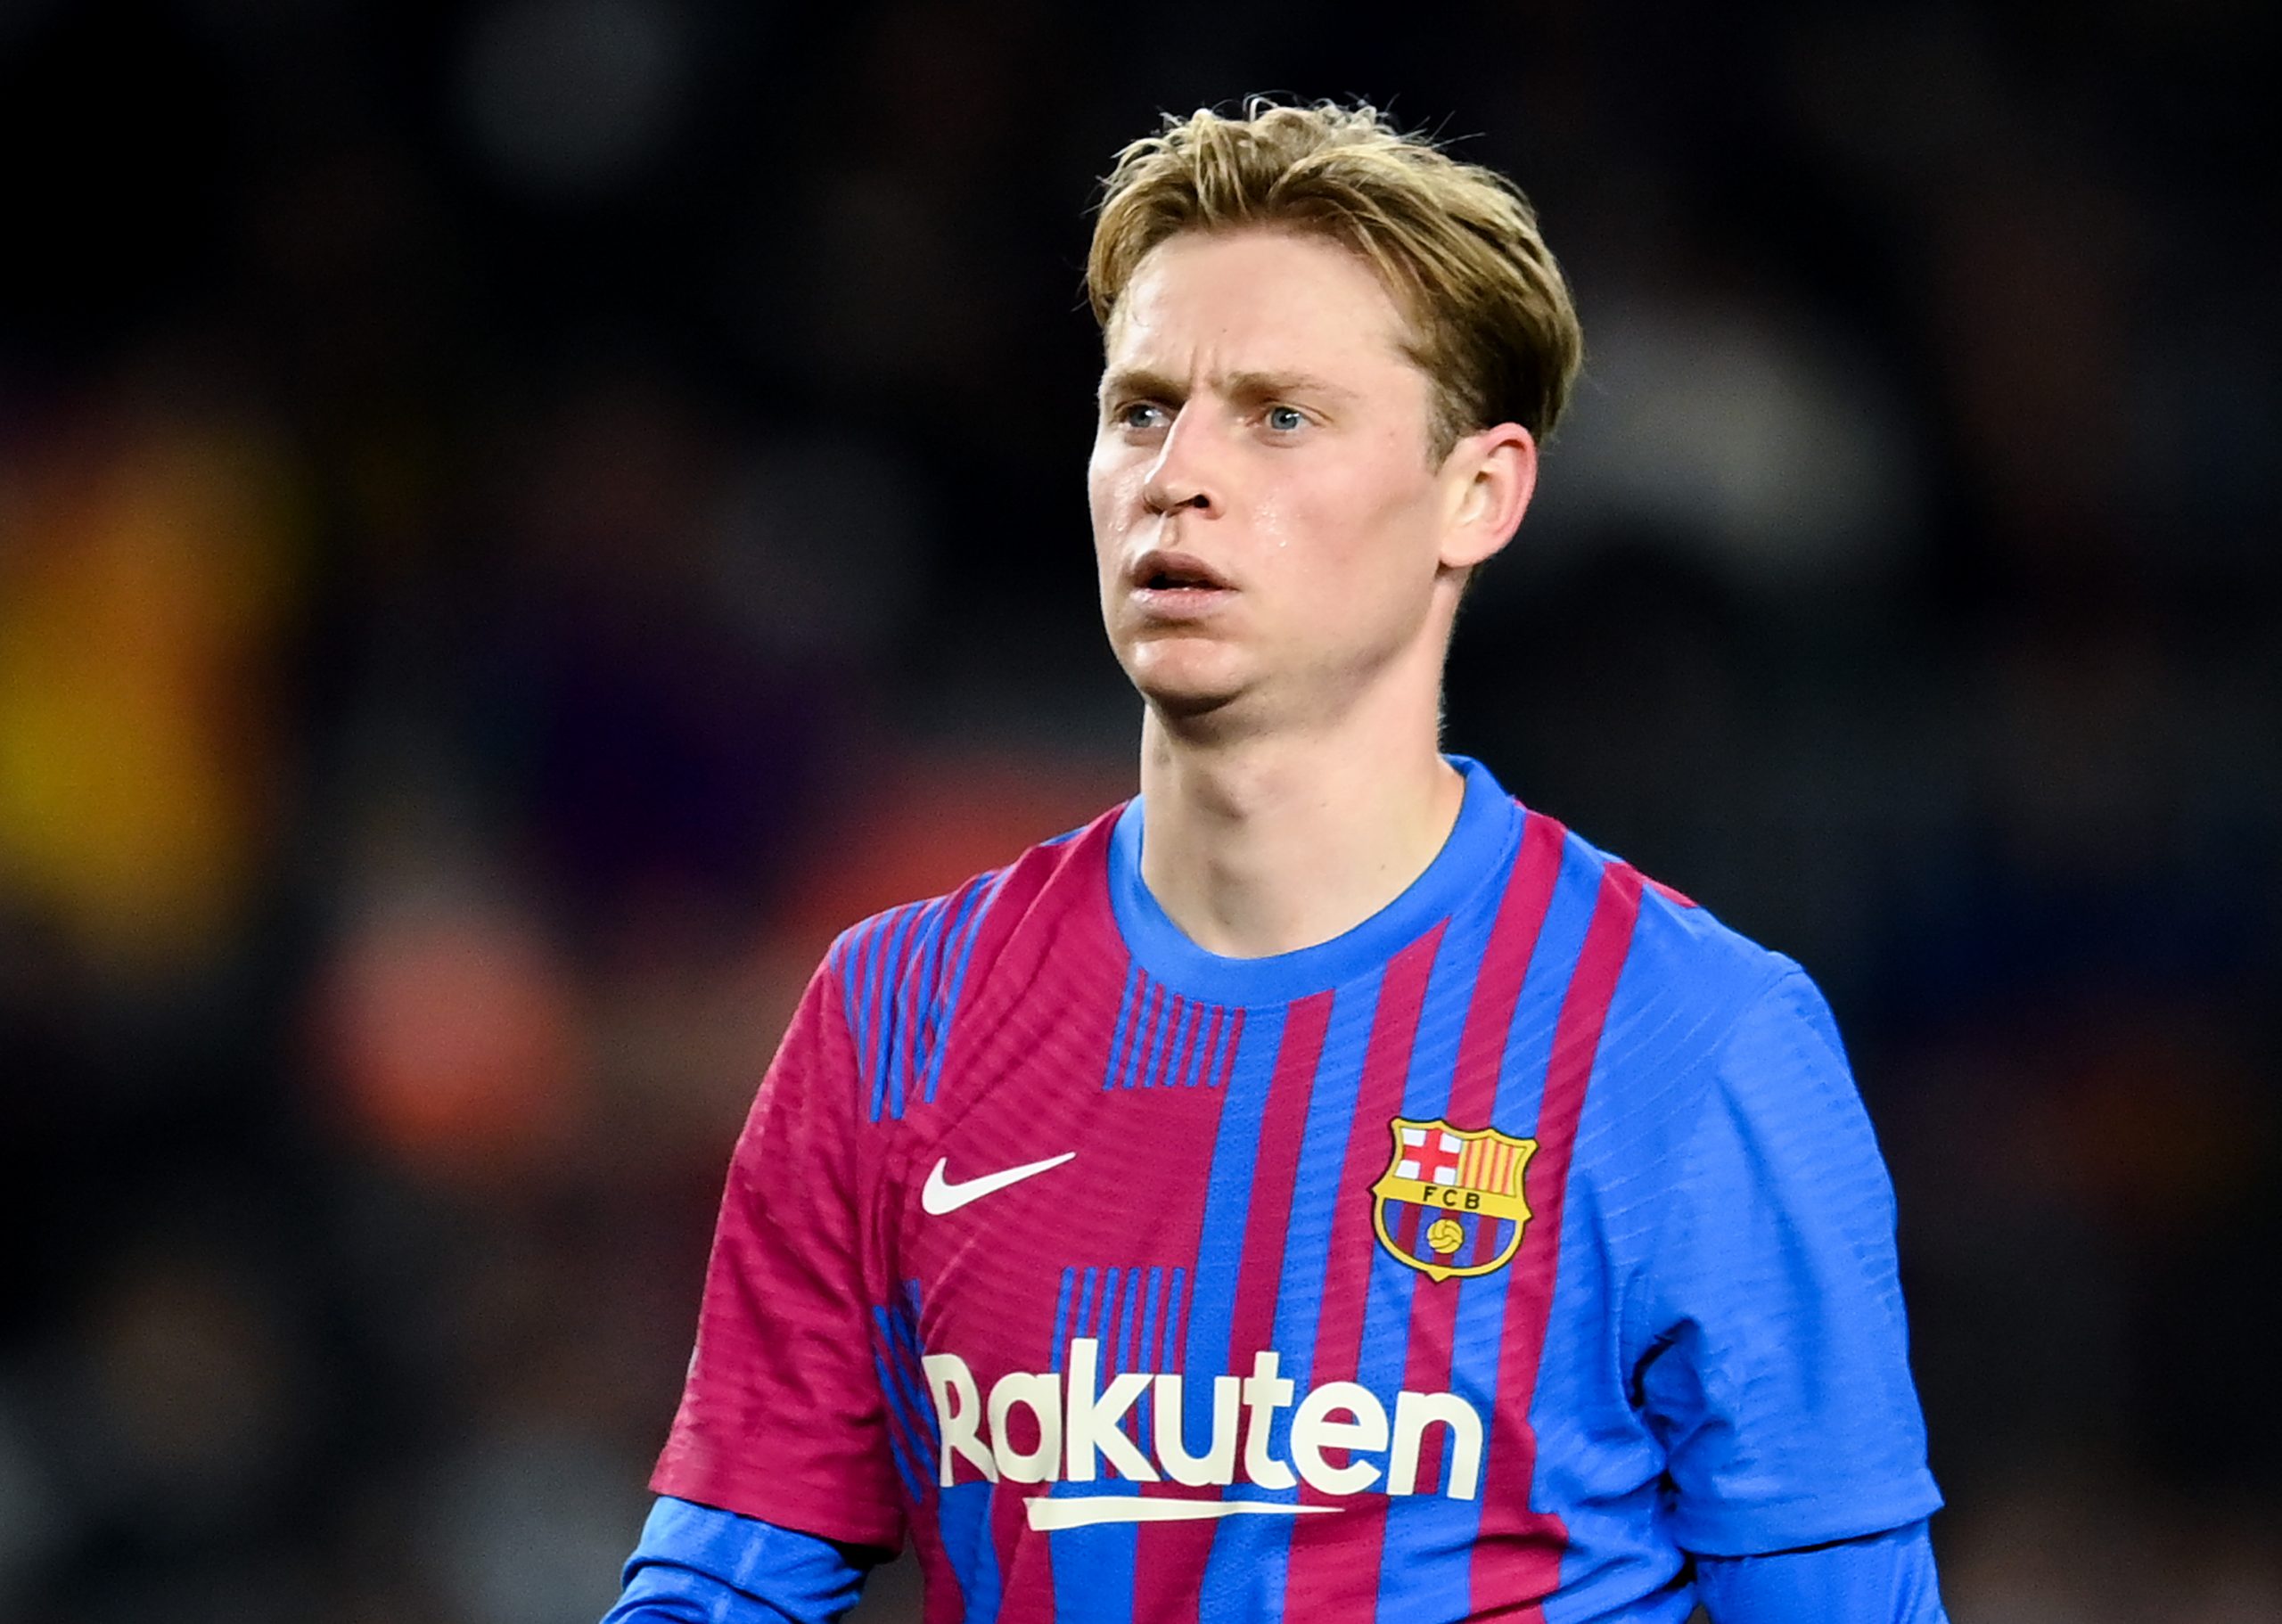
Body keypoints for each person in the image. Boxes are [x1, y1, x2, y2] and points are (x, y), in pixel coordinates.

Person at [603, 99, 1948, 1624]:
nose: (1180, 472)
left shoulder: (1692, 1039)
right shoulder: (897, 1014)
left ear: (1479, 494)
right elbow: (720, 1583)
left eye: (1280, 417)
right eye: (1140, 409)